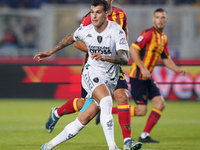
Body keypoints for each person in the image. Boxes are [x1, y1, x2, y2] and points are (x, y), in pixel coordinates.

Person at [34, 0, 142, 150]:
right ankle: (114, 146)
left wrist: (106, 57)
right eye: (92, 12)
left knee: (83, 119)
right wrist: (50, 52)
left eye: (98, 12)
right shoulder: (86, 29)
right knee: (106, 101)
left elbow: (124, 58)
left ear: (106, 14)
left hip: (111, 76)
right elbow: (70, 39)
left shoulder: (116, 30)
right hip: (91, 72)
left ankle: (48, 145)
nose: (94, 16)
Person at [128, 8, 187, 143]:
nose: (160, 20)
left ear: (166, 20)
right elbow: (133, 48)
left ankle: (144, 136)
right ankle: (108, 111)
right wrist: (142, 68)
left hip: (148, 78)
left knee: (160, 104)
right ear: (153, 19)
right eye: (157, 17)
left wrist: (177, 69)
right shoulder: (148, 34)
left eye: (162, 17)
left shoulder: (163, 38)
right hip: (138, 76)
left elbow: (166, 58)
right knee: (141, 111)